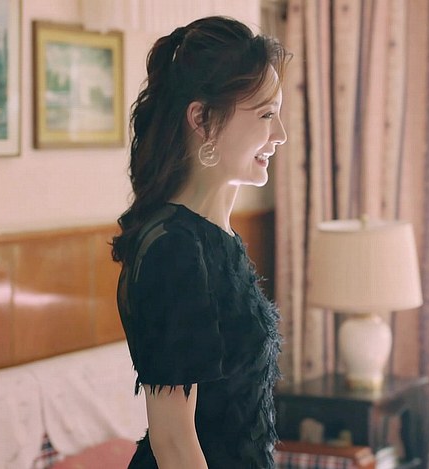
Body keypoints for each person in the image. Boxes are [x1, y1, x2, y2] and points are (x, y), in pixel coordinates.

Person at [111, 16, 289, 468]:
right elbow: (174, 442)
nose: (279, 135)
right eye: (266, 115)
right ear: (203, 119)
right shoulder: (172, 249)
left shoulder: (218, 238)